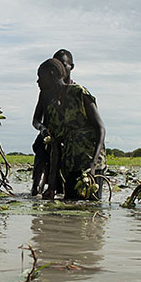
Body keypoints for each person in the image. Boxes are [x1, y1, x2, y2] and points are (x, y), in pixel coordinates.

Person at [36, 58, 106, 200]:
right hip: (70, 167)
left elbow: (101, 128)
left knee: (92, 209)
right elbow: (55, 147)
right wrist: (52, 186)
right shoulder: (52, 106)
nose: (38, 82)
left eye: (40, 77)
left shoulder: (79, 93)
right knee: (70, 211)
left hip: (90, 166)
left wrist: (93, 165)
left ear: (52, 74)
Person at [31, 49, 79, 196]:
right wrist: (43, 129)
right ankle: (36, 191)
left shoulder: (76, 92)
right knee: (41, 160)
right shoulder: (45, 92)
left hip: (67, 141)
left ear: (71, 66)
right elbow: (36, 120)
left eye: (63, 64)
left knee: (64, 183)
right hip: (47, 137)